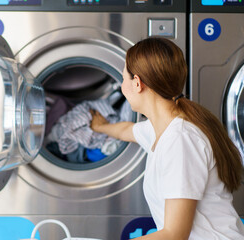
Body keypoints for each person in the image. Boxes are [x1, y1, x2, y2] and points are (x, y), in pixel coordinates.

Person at [90, 37, 244, 239]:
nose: (121, 87)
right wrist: (101, 127)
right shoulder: (162, 127)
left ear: (137, 83)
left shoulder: (181, 141)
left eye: (123, 79)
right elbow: (126, 130)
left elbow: (174, 234)